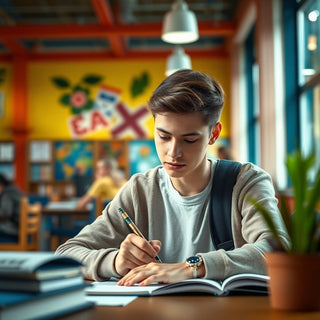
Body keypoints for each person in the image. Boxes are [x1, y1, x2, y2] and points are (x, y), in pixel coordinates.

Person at [56, 70, 289, 286]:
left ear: (214, 134)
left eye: (189, 140)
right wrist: (115, 260)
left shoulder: (247, 182)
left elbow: (277, 251)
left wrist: (191, 268)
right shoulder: (140, 190)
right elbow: (66, 253)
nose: (173, 152)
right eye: (164, 136)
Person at [0, 173, 24, 241]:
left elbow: (5, 213)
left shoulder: (7, 193)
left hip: (14, 228)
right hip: (20, 228)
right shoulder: (13, 189)